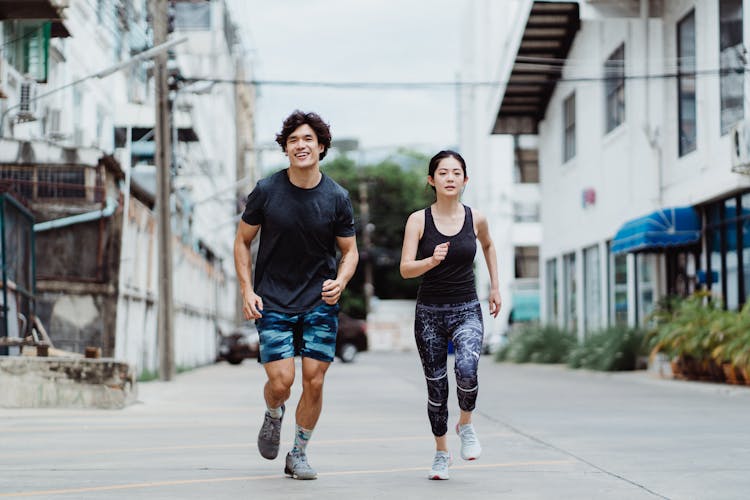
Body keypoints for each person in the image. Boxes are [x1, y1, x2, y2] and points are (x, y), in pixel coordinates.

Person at [233, 110, 359, 480]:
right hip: (272, 300)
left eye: (308, 140)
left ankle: (299, 452)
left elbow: (349, 251)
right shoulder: (267, 191)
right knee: (281, 382)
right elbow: (242, 242)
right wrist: (246, 290)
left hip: (320, 301)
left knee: (315, 381)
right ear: (285, 149)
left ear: (321, 147)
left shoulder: (337, 197)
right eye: (293, 141)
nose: (300, 146)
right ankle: (274, 413)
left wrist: (342, 280)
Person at [399, 150, 501, 480]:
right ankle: (441, 453)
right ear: (432, 180)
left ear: (465, 180)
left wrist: (495, 287)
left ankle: (466, 425)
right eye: (443, 173)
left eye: (456, 173)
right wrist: (430, 261)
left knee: (467, 369)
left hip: (466, 308)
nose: (450, 178)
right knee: (437, 388)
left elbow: (488, 245)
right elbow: (404, 269)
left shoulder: (476, 219)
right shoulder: (418, 220)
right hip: (429, 313)